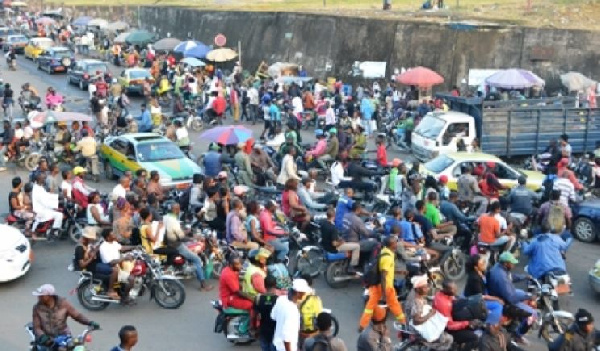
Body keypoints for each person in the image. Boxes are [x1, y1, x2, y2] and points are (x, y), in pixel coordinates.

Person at [487, 252, 537, 344]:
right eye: (512, 263)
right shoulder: (500, 276)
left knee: (522, 293)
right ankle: (518, 335)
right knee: (533, 314)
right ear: (506, 263)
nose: (514, 265)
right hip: (505, 300)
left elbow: (511, 277)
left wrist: (524, 277)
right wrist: (529, 296)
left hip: (504, 293)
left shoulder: (500, 268)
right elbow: (511, 297)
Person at [32, 284, 99, 350]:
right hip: (47, 339)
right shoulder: (37, 308)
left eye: (41, 295)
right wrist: (42, 336)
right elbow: (36, 327)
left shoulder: (63, 304)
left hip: (64, 336)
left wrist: (89, 322)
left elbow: (77, 315)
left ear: (49, 296)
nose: (38, 297)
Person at [359, 236, 406, 331]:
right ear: (391, 245)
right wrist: (384, 293)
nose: (396, 244)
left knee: (369, 307)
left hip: (377, 285)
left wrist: (399, 272)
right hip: (385, 286)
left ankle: (362, 325)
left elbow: (386, 271)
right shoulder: (388, 258)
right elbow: (383, 276)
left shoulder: (385, 251)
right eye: (395, 242)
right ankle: (403, 323)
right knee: (395, 305)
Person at [164, 203, 213, 291]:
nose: (179, 211)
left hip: (169, 243)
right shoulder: (173, 220)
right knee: (197, 259)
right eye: (178, 209)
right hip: (177, 245)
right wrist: (193, 238)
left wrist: (185, 231)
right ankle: (203, 285)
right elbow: (181, 237)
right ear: (175, 210)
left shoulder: (166, 217)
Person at [404, 275, 454, 350]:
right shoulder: (417, 302)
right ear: (417, 289)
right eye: (425, 287)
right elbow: (416, 321)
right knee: (449, 339)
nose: (427, 289)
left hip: (411, 319)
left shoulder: (413, 293)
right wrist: (430, 314)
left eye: (427, 286)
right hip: (416, 329)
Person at [433, 280, 480, 351]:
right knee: (474, 338)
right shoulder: (443, 304)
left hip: (451, 319)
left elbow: (455, 300)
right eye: (452, 289)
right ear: (445, 289)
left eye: (455, 288)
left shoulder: (442, 294)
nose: (455, 291)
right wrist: (467, 323)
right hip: (448, 330)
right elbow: (450, 326)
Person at [271, 279, 312, 351]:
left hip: (276, 344)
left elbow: (273, 316)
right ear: (297, 293)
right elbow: (286, 337)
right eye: (303, 292)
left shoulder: (281, 299)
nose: (304, 294)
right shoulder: (292, 310)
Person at [463, 254, 504, 325]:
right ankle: (490, 324)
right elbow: (481, 296)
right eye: (482, 263)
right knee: (498, 306)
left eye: (484, 262)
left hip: (481, 292)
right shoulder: (474, 278)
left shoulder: (481, 272)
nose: (485, 264)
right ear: (476, 268)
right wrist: (497, 299)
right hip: (473, 299)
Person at [254, 275, 279, 351]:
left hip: (263, 330)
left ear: (264, 285)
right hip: (275, 331)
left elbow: (255, 315)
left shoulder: (258, 298)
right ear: (275, 285)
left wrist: (254, 328)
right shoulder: (278, 300)